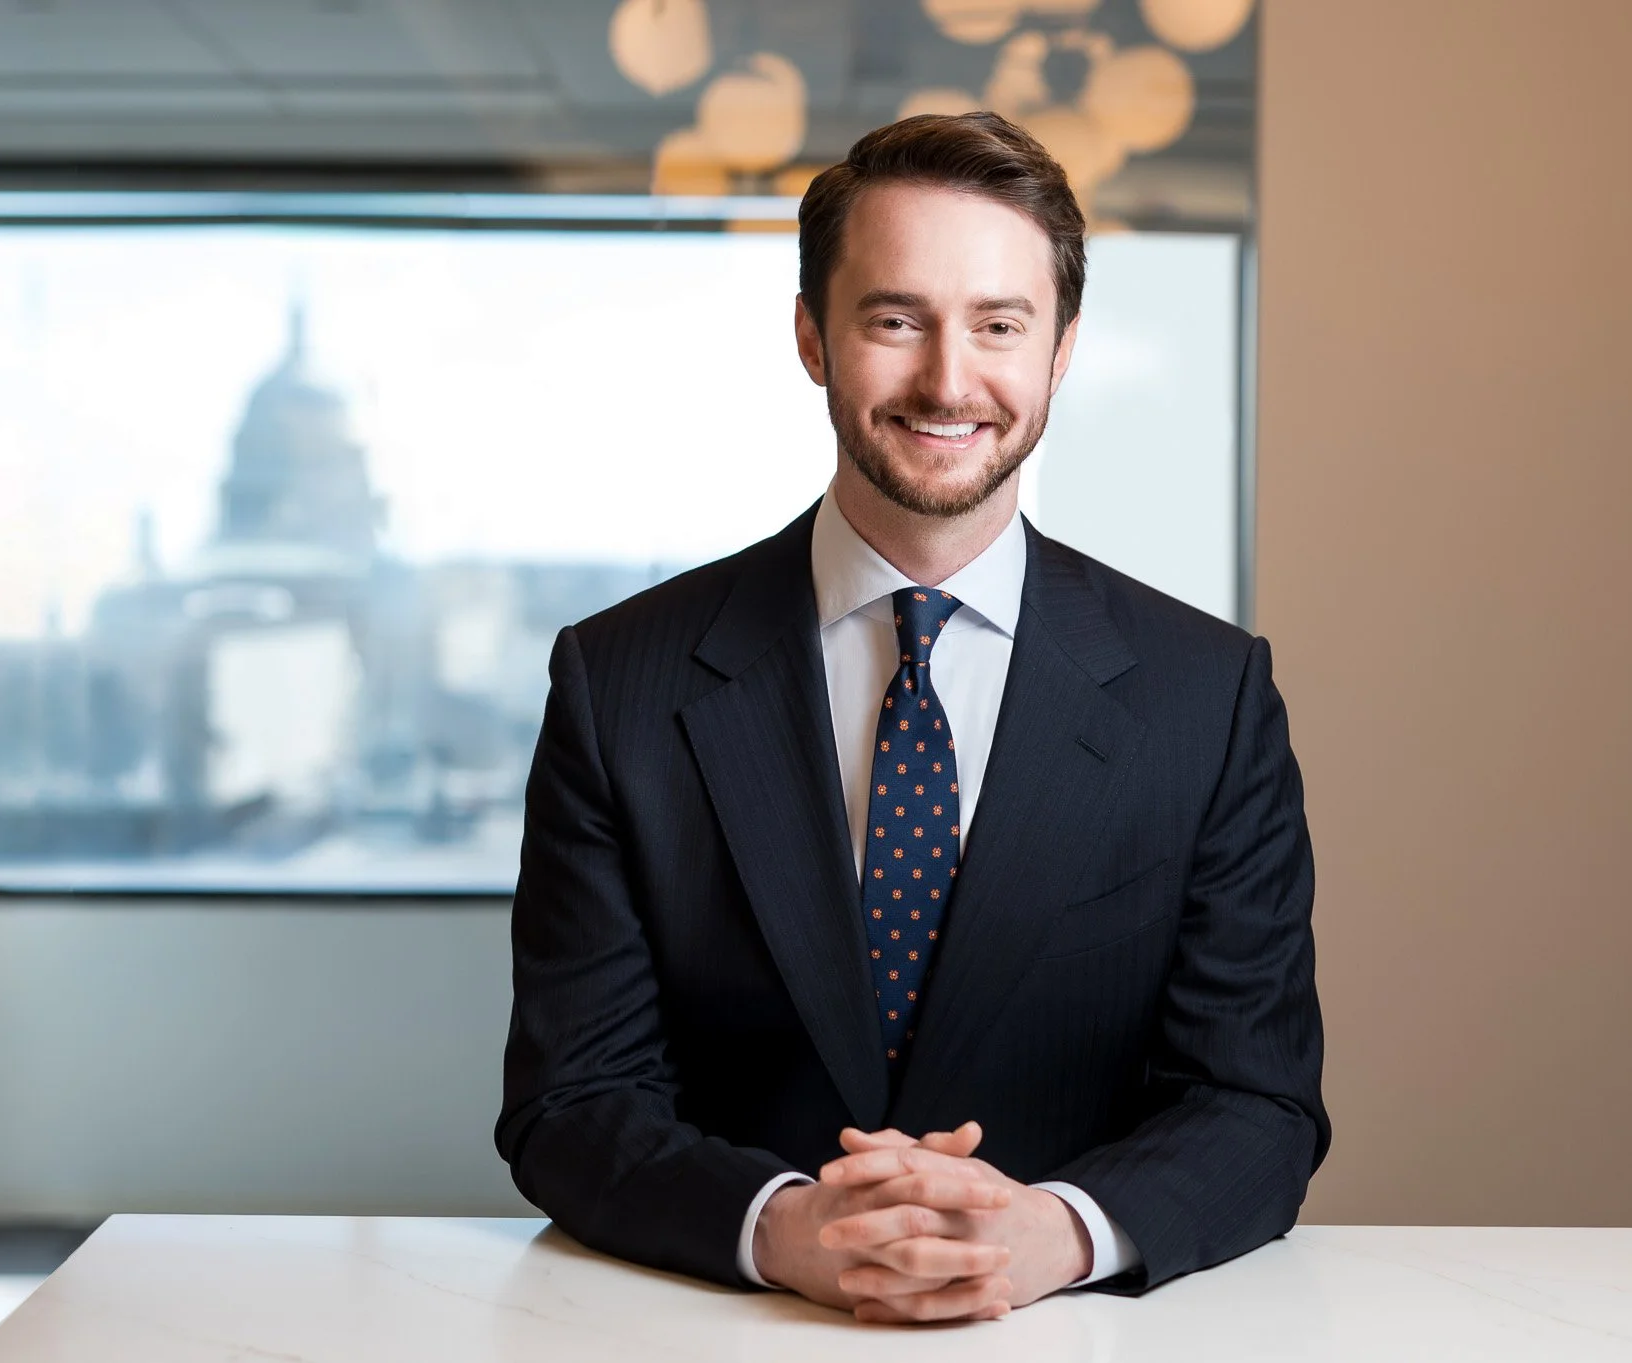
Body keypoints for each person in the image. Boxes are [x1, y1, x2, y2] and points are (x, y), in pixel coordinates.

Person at [494, 111, 1328, 1324]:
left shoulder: (1207, 694)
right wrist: (782, 1227)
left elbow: (1259, 1104)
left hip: (1071, 1334)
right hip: (721, 1331)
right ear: (811, 337)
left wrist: (1053, 1234)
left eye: (999, 325)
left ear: (1060, 351)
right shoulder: (620, 677)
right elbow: (568, 1101)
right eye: (895, 320)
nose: (949, 379)